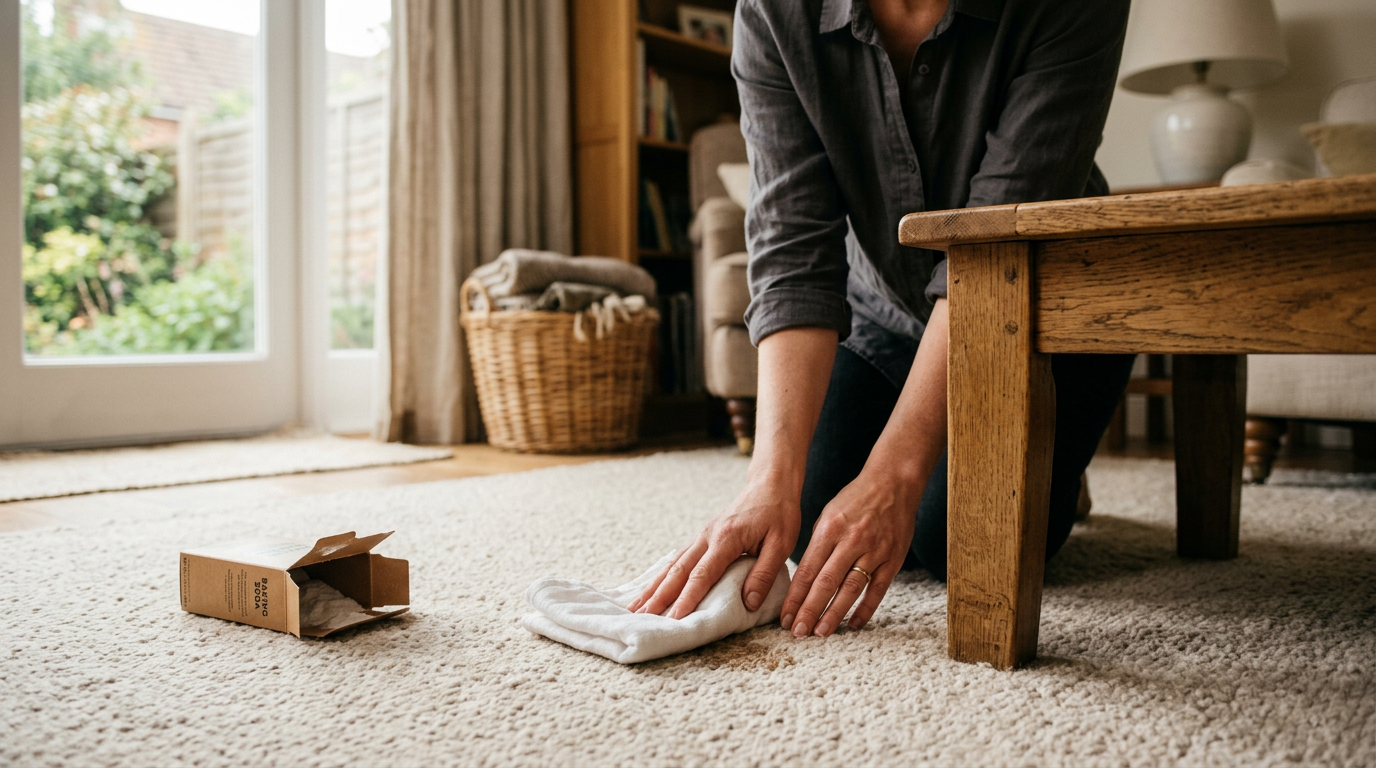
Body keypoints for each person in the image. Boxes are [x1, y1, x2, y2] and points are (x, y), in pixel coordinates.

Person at [629, 0, 1136, 639]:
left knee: (952, 537)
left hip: (1038, 310)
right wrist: (768, 478)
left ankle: (1057, 464)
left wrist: (895, 472)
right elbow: (793, 245)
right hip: (883, 318)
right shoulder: (772, 11)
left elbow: (995, 242)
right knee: (809, 515)